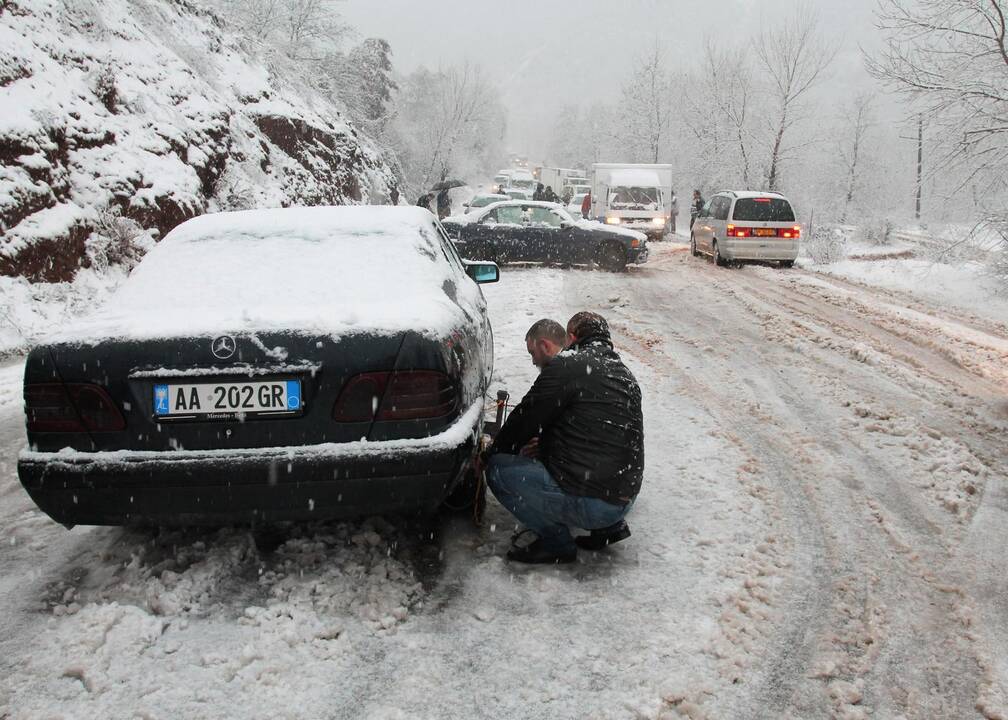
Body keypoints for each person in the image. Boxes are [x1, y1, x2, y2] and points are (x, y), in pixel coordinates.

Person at [481, 312, 645, 564]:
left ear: (571, 337)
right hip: (625, 498)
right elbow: (597, 434)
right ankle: (609, 527)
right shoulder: (624, 374)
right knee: (605, 463)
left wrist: (488, 455)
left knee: (499, 471)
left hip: (596, 504)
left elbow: (524, 419)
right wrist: (547, 445)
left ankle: (556, 543)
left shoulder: (569, 365)